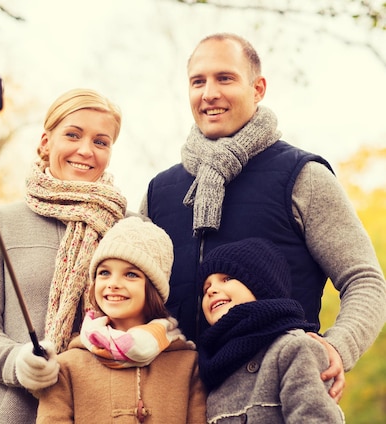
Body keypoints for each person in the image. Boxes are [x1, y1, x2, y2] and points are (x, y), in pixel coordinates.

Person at [141, 32, 386, 400]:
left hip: (274, 398)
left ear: (258, 89)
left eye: (225, 78)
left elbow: (365, 280)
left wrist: (336, 347)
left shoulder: (302, 175)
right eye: (198, 81)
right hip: (173, 401)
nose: (209, 93)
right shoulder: (160, 191)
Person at [0, 88, 131, 423]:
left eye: (101, 141)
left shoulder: (129, 230)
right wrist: (17, 362)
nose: (86, 150)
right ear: (45, 143)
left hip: (101, 411)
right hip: (13, 413)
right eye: (72, 135)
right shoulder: (0, 223)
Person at [36, 216, 207, 423]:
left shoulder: (188, 365)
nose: (113, 283)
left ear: (154, 287)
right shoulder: (67, 366)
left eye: (131, 275)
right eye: (104, 272)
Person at [197, 237, 345, 423]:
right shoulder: (213, 367)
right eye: (206, 287)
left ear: (261, 285)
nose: (212, 290)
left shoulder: (294, 348)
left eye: (226, 278)